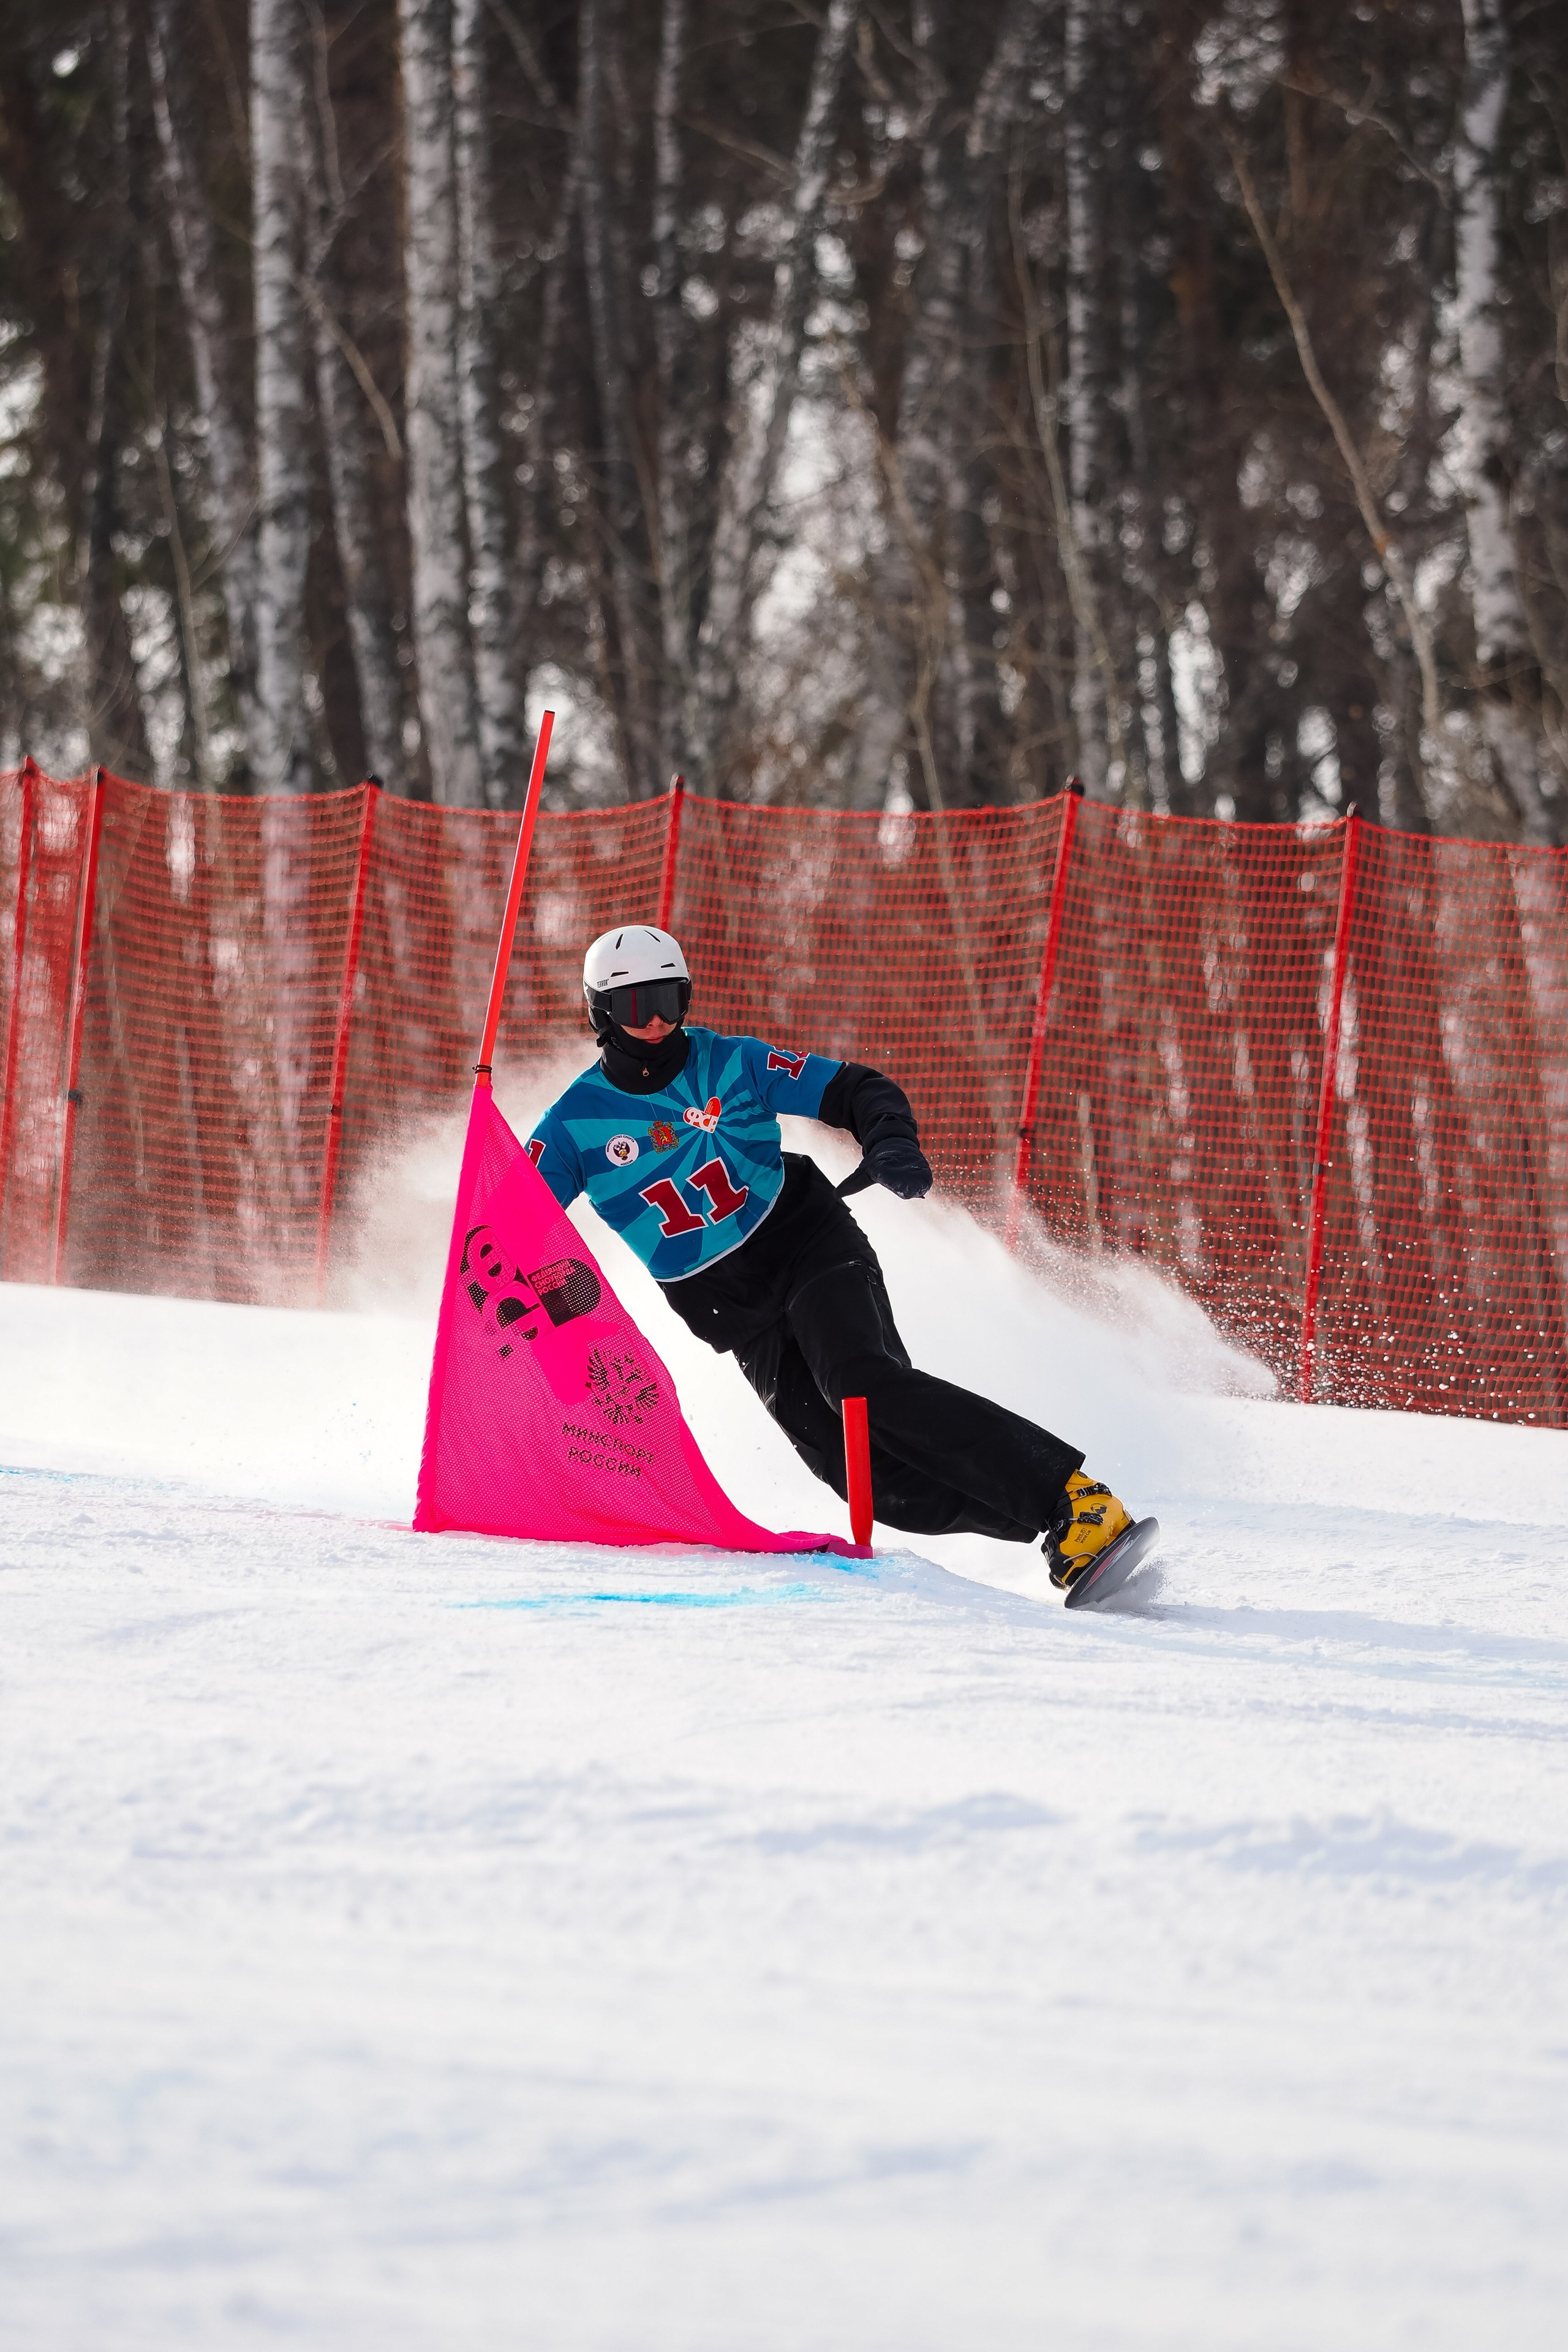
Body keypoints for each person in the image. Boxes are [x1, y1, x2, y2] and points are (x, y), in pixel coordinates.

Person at [526, 924, 1140, 1597]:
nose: (656, 1024)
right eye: (636, 1008)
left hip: (808, 1242)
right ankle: (1056, 1525)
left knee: (860, 1383)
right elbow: (514, 1225)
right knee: (863, 1478)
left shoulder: (731, 1064)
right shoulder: (574, 1126)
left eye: (670, 1001)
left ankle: (1072, 1498)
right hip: (737, 1312)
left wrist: (891, 1141)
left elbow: (855, 1087)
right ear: (600, 1014)